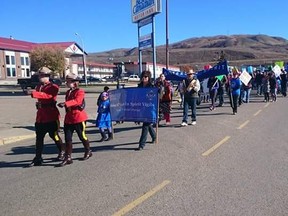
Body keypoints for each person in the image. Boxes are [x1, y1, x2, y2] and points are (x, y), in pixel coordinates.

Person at [28, 67, 64, 167]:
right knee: (39, 138)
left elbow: (48, 96)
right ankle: (38, 157)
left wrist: (34, 94)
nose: (40, 77)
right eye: (39, 75)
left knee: (54, 135)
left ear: (47, 76)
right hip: (41, 115)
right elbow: (40, 97)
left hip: (51, 115)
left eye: (42, 75)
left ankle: (62, 151)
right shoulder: (39, 86)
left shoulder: (54, 86)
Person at [57, 73, 92, 166]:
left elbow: (78, 101)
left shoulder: (80, 91)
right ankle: (68, 157)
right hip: (69, 118)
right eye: (67, 81)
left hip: (78, 117)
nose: (67, 83)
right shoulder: (68, 92)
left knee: (82, 136)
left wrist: (65, 103)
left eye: (68, 81)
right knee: (68, 138)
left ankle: (88, 150)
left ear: (75, 82)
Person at [136, 70, 156, 151]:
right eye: (143, 77)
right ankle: (154, 136)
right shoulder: (139, 86)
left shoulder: (151, 87)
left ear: (148, 78)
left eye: (145, 77)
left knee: (145, 125)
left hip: (149, 108)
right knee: (147, 124)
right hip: (141, 107)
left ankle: (141, 144)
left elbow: (153, 97)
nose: (144, 78)